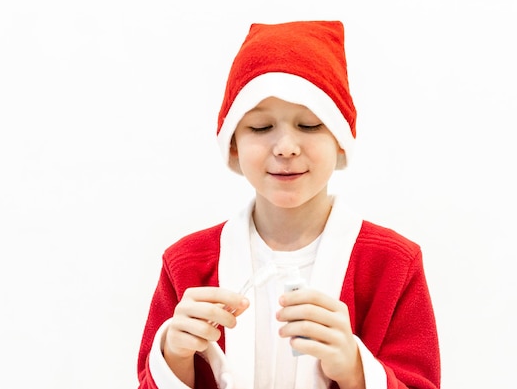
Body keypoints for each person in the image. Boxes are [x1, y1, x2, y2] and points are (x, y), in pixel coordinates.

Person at [137, 20, 440, 389]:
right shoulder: (186, 264)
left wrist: (356, 370)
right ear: (232, 145)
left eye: (310, 125)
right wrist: (174, 356)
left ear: (341, 140)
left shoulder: (392, 265)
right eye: (261, 128)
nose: (285, 147)